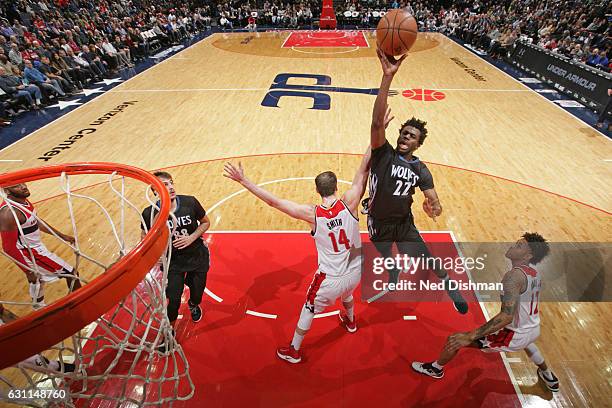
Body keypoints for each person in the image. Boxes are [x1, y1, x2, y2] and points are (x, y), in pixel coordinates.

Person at [224, 147, 374, 364]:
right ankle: (351, 322)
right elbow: (363, 171)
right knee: (347, 292)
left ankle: (293, 350)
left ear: (317, 190)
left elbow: (274, 202)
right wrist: (375, 136)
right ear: (336, 187)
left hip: (329, 278)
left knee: (309, 308)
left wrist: (244, 181)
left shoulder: (312, 214)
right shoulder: (350, 202)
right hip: (355, 271)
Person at [365, 48, 467, 313]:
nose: (405, 137)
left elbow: (434, 201)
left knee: (425, 258)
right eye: (404, 133)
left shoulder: (421, 169)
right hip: (378, 221)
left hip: (403, 223)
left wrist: (434, 207)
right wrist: (387, 76)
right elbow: (377, 123)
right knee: (387, 257)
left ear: (418, 144)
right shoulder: (383, 153)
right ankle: (393, 273)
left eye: (412, 136)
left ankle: (447, 283)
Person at [412, 233, 559, 392]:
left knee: (454, 340)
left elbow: (506, 317)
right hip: (533, 327)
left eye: (519, 246)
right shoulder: (534, 274)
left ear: (528, 255)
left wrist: (470, 336)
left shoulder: (513, 277)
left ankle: (436, 368)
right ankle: (548, 375)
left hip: (517, 334)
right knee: (529, 344)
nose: (512, 246)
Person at [141, 172, 211, 331]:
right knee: (172, 299)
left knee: (197, 295)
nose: (171, 187)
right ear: (155, 190)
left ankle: (193, 305)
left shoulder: (190, 202)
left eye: (171, 182)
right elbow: (145, 240)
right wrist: (154, 255)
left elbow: (206, 223)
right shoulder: (149, 213)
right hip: (172, 263)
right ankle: (169, 331)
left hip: (196, 257)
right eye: (165, 184)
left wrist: (191, 237)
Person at [0, 183, 81, 309]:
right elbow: (8, 248)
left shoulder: (23, 200)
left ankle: (38, 307)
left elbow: (35, 221)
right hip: (30, 253)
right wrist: (27, 270)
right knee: (72, 274)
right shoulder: (8, 213)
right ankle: (78, 307)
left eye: (22, 183)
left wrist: (61, 235)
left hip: (37, 247)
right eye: (16, 186)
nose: (23, 187)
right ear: (7, 191)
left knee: (37, 280)